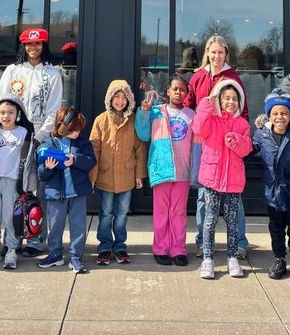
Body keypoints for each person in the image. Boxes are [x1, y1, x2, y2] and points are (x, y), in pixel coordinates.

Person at [0, 27, 63, 256]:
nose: (34, 48)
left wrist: (39, 138)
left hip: (39, 140)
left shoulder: (52, 73)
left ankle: (35, 240)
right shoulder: (12, 71)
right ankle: (11, 239)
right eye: (29, 44)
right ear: (23, 46)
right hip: (12, 137)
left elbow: (54, 110)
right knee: (13, 192)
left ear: (44, 46)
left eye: (38, 44)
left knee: (36, 191)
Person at [184, 34, 249, 258]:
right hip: (205, 143)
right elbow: (188, 107)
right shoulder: (198, 78)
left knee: (234, 196)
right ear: (207, 53)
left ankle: (240, 242)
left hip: (230, 143)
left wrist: (239, 136)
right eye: (213, 52)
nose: (217, 56)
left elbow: (243, 110)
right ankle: (203, 242)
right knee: (204, 195)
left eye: (221, 52)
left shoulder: (233, 77)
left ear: (226, 54)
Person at [193, 78, 253, 280]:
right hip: (212, 179)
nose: (230, 102)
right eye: (226, 98)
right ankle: (208, 258)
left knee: (232, 221)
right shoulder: (211, 119)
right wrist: (206, 104)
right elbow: (198, 129)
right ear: (219, 99)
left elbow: (247, 148)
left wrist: (236, 141)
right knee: (210, 220)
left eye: (234, 98)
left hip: (233, 181)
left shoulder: (242, 123)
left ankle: (232, 256)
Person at [136, 75, 195, 266]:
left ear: (186, 93)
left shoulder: (191, 115)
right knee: (161, 212)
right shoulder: (156, 112)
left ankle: (178, 249)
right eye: (175, 89)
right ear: (168, 91)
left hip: (183, 172)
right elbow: (143, 134)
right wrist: (143, 113)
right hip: (161, 170)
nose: (178, 92)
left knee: (178, 212)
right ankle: (160, 248)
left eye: (182, 89)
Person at [252, 88, 290, 282]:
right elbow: (248, 148)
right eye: (275, 113)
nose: (280, 117)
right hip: (273, 192)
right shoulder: (262, 135)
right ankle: (279, 259)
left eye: (284, 113)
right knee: (276, 228)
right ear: (269, 116)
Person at [90, 79, 147, 265]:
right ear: (110, 99)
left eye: (124, 97)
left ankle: (120, 246)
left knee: (122, 214)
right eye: (117, 97)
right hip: (105, 176)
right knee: (106, 213)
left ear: (129, 100)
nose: (120, 101)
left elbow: (139, 149)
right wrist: (92, 176)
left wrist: (139, 174)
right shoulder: (101, 120)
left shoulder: (133, 121)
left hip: (127, 176)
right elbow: (94, 149)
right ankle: (104, 247)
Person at [0, 94, 38, 269]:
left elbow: (29, 161)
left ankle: (12, 248)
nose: (6, 116)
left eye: (11, 112)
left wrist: (29, 185)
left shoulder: (24, 133)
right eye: (2, 112)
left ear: (18, 114)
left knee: (12, 217)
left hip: (14, 182)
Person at [37, 106, 97, 274]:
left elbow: (91, 161)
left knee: (78, 226)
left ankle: (76, 257)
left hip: (77, 193)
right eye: (73, 129)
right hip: (56, 193)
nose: (77, 133)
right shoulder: (49, 142)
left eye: (79, 129)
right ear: (62, 126)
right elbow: (41, 174)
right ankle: (55, 254)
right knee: (55, 226)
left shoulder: (83, 143)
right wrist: (48, 168)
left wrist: (75, 160)